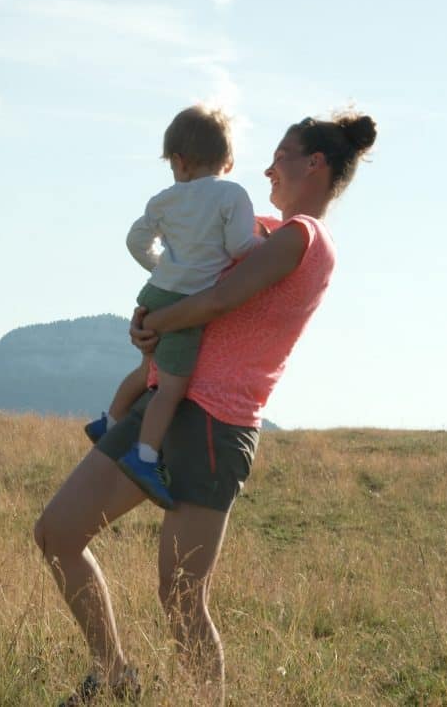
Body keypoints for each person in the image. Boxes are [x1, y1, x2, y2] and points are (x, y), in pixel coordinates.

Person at [35, 109, 377, 706]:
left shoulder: (304, 237)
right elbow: (184, 260)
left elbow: (224, 297)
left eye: (281, 155)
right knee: (57, 532)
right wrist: (151, 322)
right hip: (162, 397)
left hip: (217, 422)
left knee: (181, 595)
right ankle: (113, 674)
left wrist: (155, 321)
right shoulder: (255, 224)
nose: (268, 167)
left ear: (314, 164)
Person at [84, 105, 260, 509]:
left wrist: (160, 267)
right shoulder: (231, 195)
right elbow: (239, 247)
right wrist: (264, 244)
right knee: (172, 388)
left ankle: (110, 420)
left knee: (149, 369)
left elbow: (134, 241)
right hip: (187, 302)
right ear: (228, 161)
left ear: (178, 161)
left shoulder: (164, 200)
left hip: (155, 292)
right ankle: (145, 457)